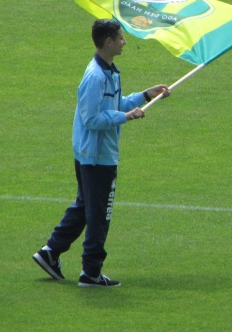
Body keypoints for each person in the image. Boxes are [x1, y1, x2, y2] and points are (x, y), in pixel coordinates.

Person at [32, 19, 170, 287]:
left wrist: (145, 95)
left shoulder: (109, 71)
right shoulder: (95, 77)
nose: (124, 42)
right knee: (99, 216)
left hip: (93, 154)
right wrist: (125, 116)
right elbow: (92, 119)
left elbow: (115, 104)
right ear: (108, 41)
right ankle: (91, 272)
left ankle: (50, 253)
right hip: (96, 157)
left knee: (85, 208)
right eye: (120, 37)